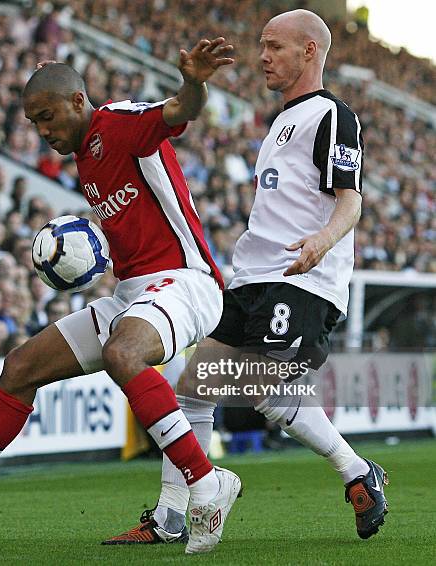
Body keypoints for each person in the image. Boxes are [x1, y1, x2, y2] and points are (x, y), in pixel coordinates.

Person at [0, 37, 240, 555]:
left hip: (187, 281)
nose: (43, 132)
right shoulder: (83, 154)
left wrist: (194, 81)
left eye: (47, 117)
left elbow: (180, 110)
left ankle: (207, 483)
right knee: (21, 366)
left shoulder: (117, 123)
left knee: (123, 353)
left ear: (77, 101)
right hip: (135, 291)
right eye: (34, 123)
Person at [105, 9, 388, 546]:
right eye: (262, 45)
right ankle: (169, 519)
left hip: (301, 279)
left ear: (309, 51)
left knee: (259, 386)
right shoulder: (281, 120)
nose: (262, 56)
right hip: (251, 279)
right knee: (189, 391)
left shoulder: (331, 114)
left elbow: (351, 202)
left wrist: (320, 243)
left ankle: (357, 471)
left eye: (275, 46)